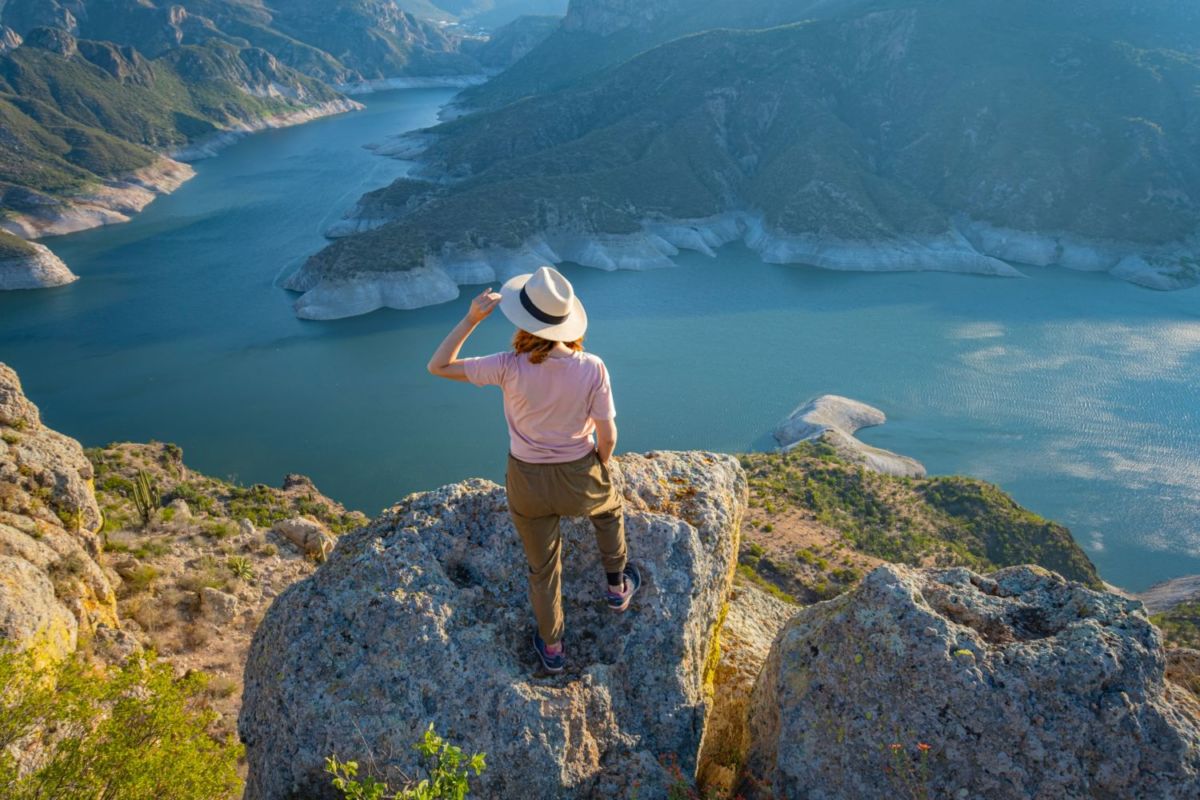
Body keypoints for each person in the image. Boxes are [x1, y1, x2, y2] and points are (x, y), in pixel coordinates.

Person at [426, 266, 640, 674]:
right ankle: (616, 587)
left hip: (526, 482)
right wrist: (599, 467)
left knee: (543, 569)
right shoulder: (592, 367)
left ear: (523, 321)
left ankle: (554, 648)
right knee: (609, 510)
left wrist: (471, 319)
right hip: (579, 474)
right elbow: (608, 435)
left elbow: (438, 366)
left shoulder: (507, 365)